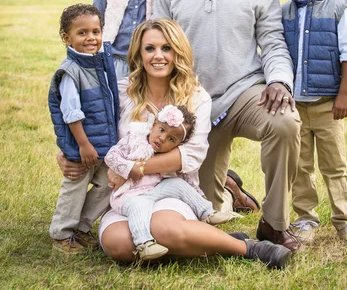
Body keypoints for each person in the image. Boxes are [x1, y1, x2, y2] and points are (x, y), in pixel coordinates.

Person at [153, 0, 302, 253]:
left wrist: (279, 80)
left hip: (245, 92)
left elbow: (273, 42)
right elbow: (158, 44)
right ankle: (228, 189)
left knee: (285, 124)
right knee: (202, 218)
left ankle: (274, 223)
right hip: (192, 103)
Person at [98, 18, 292, 269]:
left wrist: (130, 168)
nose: (158, 56)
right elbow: (98, 136)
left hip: (172, 187)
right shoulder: (122, 92)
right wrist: (70, 153)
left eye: (166, 48)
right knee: (120, 245)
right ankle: (205, 240)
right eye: (150, 48)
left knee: (163, 229)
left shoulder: (196, 97)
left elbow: (189, 156)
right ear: (138, 52)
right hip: (127, 196)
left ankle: (248, 248)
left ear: (178, 52)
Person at [282, 0, 347, 248]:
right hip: (296, 106)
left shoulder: (338, 7)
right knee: (300, 165)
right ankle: (305, 219)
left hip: (328, 104)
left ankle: (345, 222)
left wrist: (344, 95)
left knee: (334, 165)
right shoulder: (285, 11)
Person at [105, 104, 230, 261]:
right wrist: (129, 168)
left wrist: (199, 196)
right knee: (139, 206)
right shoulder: (133, 140)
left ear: (177, 144)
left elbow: (186, 181)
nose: (162, 138)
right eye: (162, 130)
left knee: (176, 184)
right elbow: (110, 157)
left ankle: (206, 212)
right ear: (154, 124)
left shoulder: (168, 156)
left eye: (171, 139)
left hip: (155, 191)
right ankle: (144, 243)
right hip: (129, 195)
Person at [48, 4, 119, 254]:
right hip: (83, 145)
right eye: (82, 33)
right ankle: (62, 233)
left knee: (107, 184)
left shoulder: (99, 65)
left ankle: (82, 227)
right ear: (67, 38)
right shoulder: (71, 71)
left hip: (103, 144)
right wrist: (83, 144)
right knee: (75, 186)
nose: (91, 38)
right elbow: (71, 113)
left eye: (95, 31)